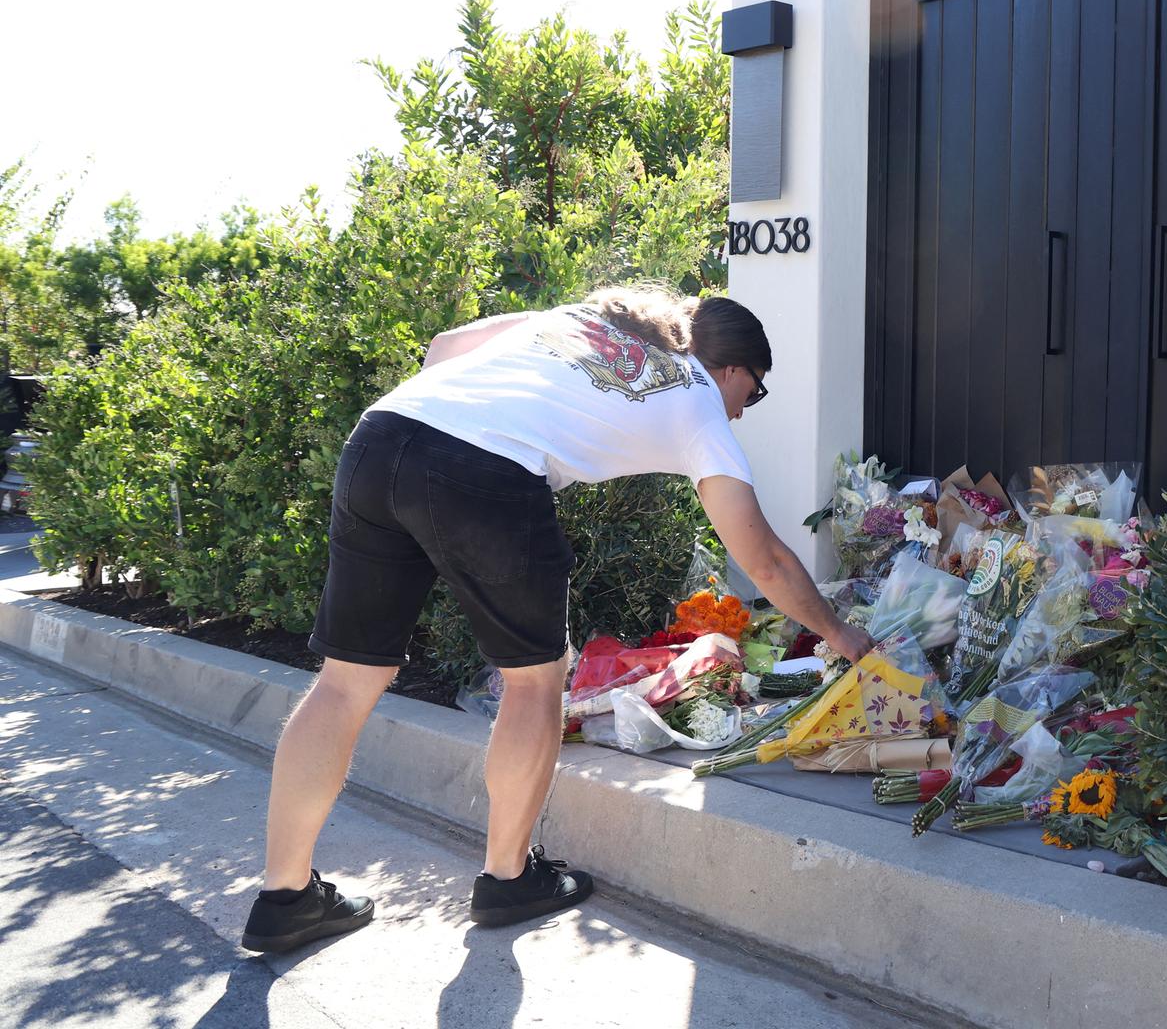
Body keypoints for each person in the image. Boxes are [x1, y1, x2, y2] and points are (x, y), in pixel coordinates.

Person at [240, 284, 874, 953]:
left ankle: (286, 900)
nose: (744, 412)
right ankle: (508, 879)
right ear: (734, 369)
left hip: (382, 437)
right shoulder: (697, 403)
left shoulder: (586, 320)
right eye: (754, 393)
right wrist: (839, 633)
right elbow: (767, 561)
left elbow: (444, 349)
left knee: (344, 681)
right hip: (485, 470)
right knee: (536, 680)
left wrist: (439, 456)